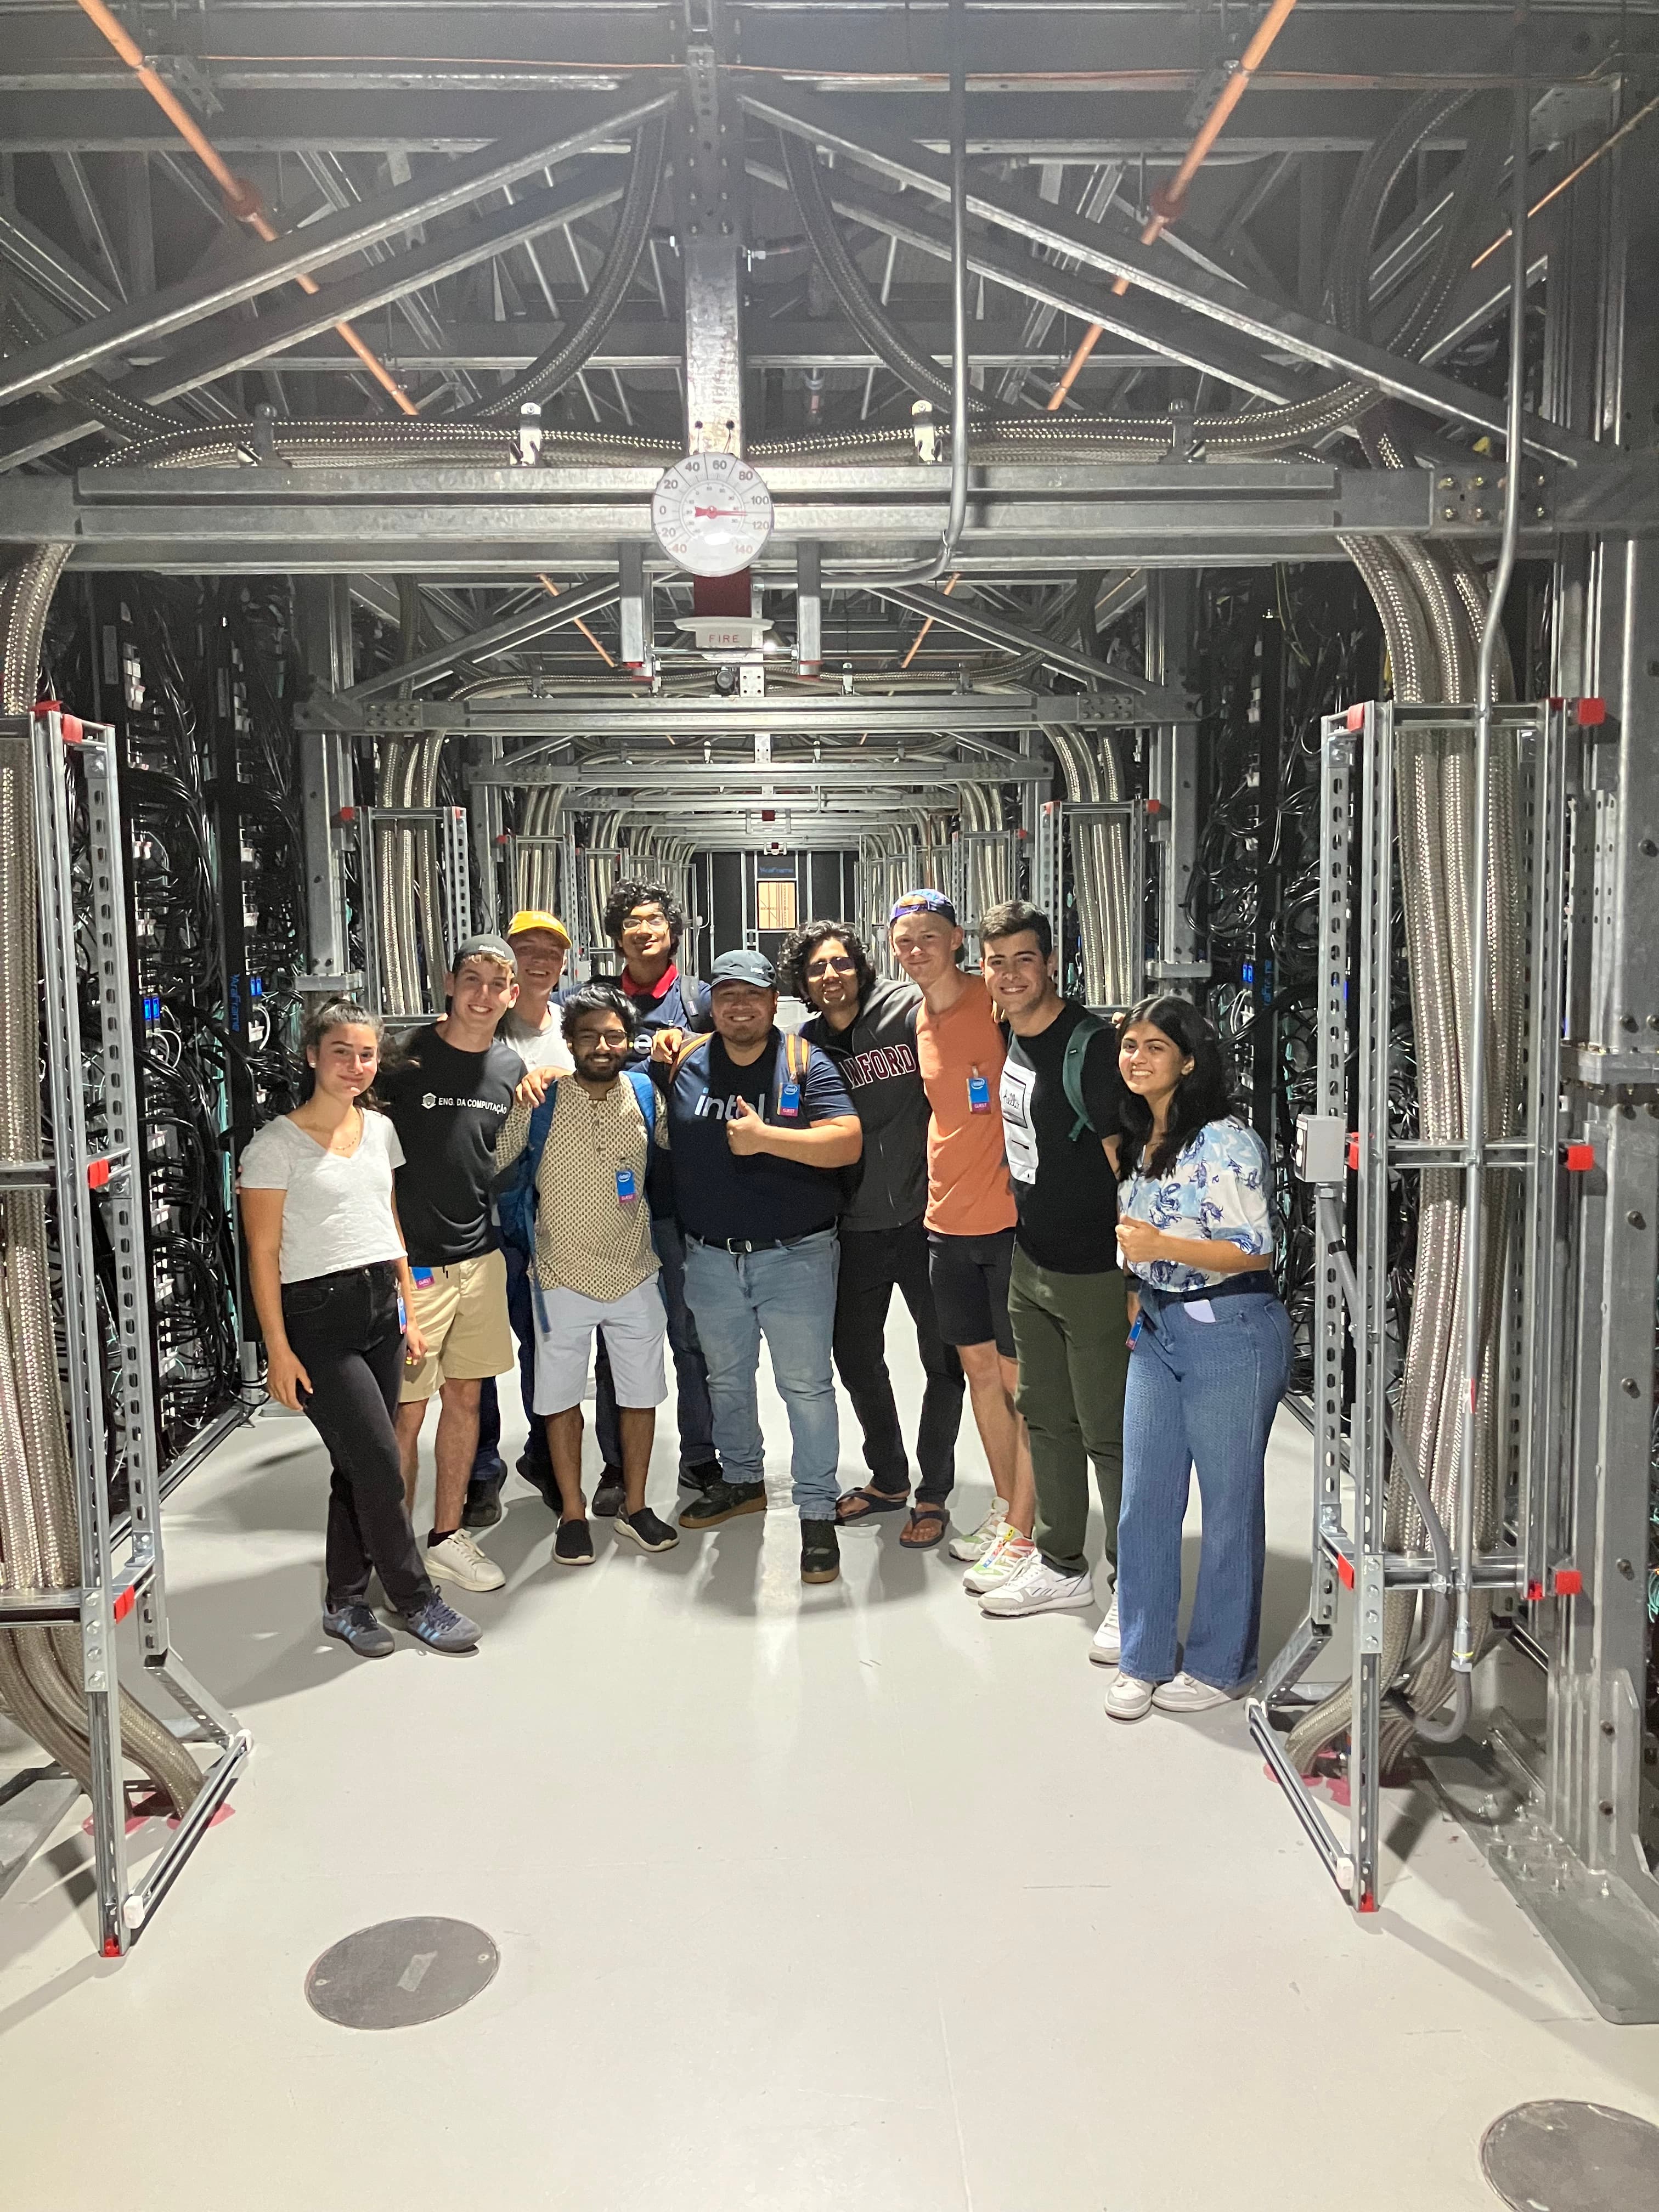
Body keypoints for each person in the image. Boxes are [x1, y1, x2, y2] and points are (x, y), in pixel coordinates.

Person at [238, 998, 480, 1657]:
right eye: (340, 1051)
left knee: (356, 1466)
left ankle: (346, 1602)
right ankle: (416, 1598)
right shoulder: (274, 1147)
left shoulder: (379, 1131)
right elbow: (261, 1254)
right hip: (315, 1317)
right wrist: (277, 1351)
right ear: (313, 1055)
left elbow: (387, 1222)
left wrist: (408, 1305)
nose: (355, 1065)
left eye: (367, 1054)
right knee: (378, 1460)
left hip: (379, 1306)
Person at [1104, 996, 1290, 1722]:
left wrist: (1163, 1250)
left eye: (1155, 1047)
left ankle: (1222, 1666)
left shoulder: (1224, 1142)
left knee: (1229, 1505)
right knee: (1144, 1499)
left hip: (1231, 1334)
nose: (1138, 1058)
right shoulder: (1146, 1138)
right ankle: (1142, 1656)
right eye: (1130, 1045)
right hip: (1159, 1329)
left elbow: (1256, 1249)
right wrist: (1140, 1291)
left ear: (1188, 1059)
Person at [656, 949, 862, 1585]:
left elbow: (848, 1139)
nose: (738, 1007)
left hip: (795, 1255)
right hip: (712, 1256)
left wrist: (768, 1137)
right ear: (709, 1004)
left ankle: (817, 1509)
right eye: (726, 996)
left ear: (776, 1003)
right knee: (727, 1379)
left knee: (805, 1386)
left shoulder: (804, 1062)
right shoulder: (685, 1061)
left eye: (751, 995)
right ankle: (743, 1479)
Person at [974, 901, 1131, 1637]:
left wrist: (1134, 1278)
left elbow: (1125, 1163)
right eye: (997, 962)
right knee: (1047, 1417)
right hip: (1030, 1260)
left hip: (1097, 1271)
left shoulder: (1092, 1048)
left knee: (1108, 1431)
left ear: (1051, 963)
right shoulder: (1011, 1035)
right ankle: (1061, 1564)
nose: (1009, 975)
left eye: (1024, 960)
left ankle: (1135, 1580)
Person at [784, 919, 964, 1550]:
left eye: (840, 963)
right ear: (802, 983)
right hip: (855, 1225)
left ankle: (934, 1490)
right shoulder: (803, 1046)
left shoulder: (906, 1011)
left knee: (943, 1359)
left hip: (926, 1217)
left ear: (861, 965)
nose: (830, 976)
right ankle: (888, 1476)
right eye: (816, 969)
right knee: (856, 1356)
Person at [494, 984, 680, 1564]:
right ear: (570, 1042)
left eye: (615, 1036)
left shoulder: (648, 1094)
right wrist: (518, 1093)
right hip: (558, 1276)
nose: (603, 1046)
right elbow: (496, 1161)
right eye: (590, 1036)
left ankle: (638, 1504)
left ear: (630, 1042)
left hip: (635, 1272)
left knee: (641, 1395)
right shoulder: (542, 1098)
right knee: (559, 1399)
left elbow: (681, 1152)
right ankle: (572, 1513)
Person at [889, 888, 1035, 1593]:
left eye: (929, 937)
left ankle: (1030, 1529)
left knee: (1019, 1381)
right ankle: (1009, 1510)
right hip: (946, 1225)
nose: (916, 951)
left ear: (956, 942)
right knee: (979, 1374)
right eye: (904, 941)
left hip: (1008, 1222)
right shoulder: (919, 1018)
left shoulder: (997, 1003)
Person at [379, 936, 523, 1599]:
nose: (483, 995)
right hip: (415, 1266)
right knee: (406, 1415)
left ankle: (443, 1538)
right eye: (472, 979)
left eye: (498, 984)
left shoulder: (508, 1067)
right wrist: (392, 1260)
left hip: (480, 1259)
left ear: (513, 996)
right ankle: (394, 1553)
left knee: (465, 1398)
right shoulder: (401, 1059)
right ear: (449, 982)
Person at [590, 876, 721, 1515]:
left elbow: (735, 1058)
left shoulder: (699, 1002)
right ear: (616, 935)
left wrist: (696, 1045)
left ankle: (701, 1456)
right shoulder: (594, 1001)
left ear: (673, 932)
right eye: (631, 922)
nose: (644, 931)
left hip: (681, 1196)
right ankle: (616, 1465)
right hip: (609, 1205)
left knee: (689, 1335)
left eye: (654, 921)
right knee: (617, 1341)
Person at [465, 909, 575, 1530]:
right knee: (478, 1347)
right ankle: (482, 1468)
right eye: (525, 950)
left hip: (556, 1206)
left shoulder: (573, 1027)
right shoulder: (482, 1028)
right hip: (485, 1203)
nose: (539, 961)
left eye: (550, 951)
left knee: (547, 1339)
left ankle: (543, 1455)